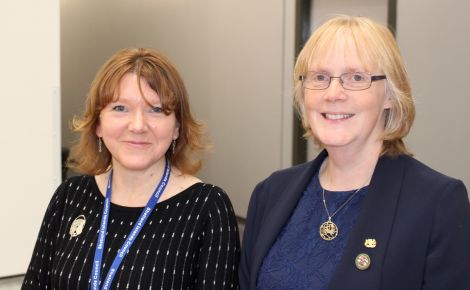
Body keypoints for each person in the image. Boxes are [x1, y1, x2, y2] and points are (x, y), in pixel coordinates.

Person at [239, 15, 470, 290]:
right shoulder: (270, 193)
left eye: (356, 77)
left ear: (389, 95)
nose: (333, 93)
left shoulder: (437, 203)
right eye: (320, 77)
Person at [22, 48, 240, 289]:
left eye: (156, 110)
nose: (137, 126)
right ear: (98, 124)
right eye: (120, 108)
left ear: (177, 126)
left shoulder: (208, 209)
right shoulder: (69, 197)